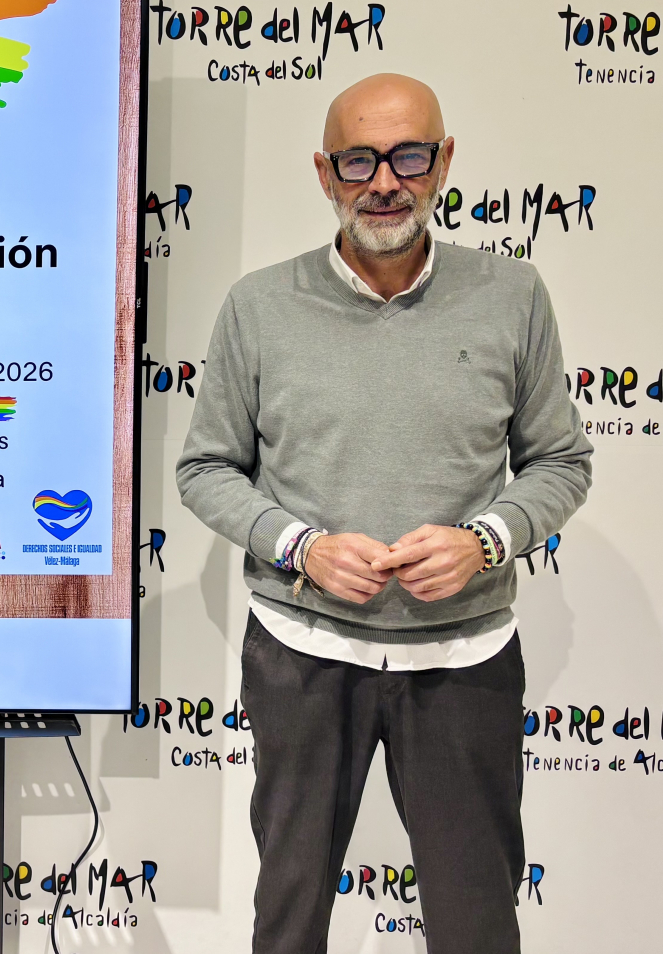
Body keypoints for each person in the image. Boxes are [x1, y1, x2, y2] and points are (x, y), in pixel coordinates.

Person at [176, 73, 591, 953]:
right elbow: (206, 468)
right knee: (288, 920)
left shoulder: (514, 295)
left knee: (478, 923)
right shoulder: (259, 305)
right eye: (359, 160)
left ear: (444, 161)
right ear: (325, 173)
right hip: (301, 653)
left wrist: (486, 540)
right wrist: (301, 547)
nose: (385, 182)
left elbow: (560, 462)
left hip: (464, 658)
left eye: (408, 156)